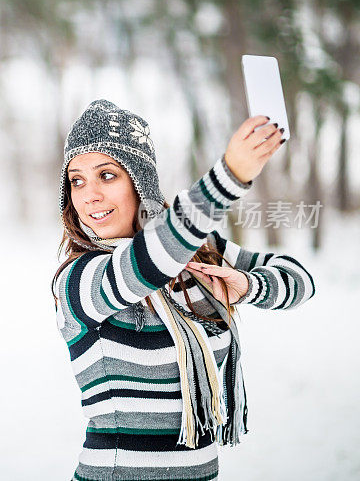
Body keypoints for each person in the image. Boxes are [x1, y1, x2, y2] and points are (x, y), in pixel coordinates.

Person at [51, 99, 316, 481]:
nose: (88, 194)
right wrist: (230, 175)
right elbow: (148, 262)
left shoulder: (196, 249)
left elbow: (299, 279)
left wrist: (248, 286)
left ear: (139, 182)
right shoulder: (79, 279)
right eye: (76, 180)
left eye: (106, 175)